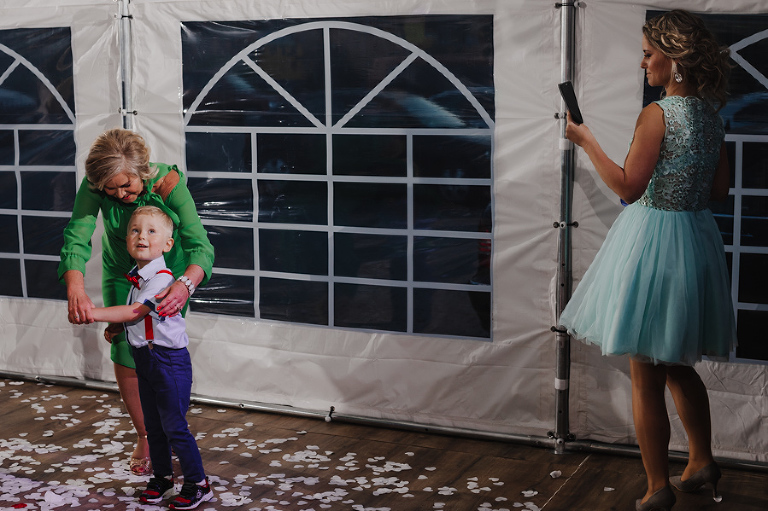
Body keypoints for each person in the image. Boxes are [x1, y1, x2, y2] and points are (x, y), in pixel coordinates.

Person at [558, 10, 736, 511]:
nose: (642, 63)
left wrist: (586, 140)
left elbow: (628, 187)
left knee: (646, 373)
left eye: (647, 54)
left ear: (674, 59)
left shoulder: (657, 114)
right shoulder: (711, 116)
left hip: (654, 241)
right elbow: (719, 190)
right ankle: (701, 461)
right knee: (676, 362)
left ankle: (657, 487)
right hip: (696, 239)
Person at [59, 128, 214, 476]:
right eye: (110, 189)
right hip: (122, 272)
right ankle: (146, 434)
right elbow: (77, 235)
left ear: (143, 171)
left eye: (126, 185)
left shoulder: (170, 184)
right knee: (126, 348)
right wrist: (75, 286)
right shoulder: (96, 182)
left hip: (169, 275)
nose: (119, 194)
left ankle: (170, 426)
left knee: (161, 348)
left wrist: (184, 285)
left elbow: (200, 245)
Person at [89, 206, 213, 510]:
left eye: (151, 231)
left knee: (174, 426)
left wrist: (93, 313)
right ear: (126, 239)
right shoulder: (138, 279)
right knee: (153, 426)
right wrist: (118, 327)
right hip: (144, 360)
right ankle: (162, 477)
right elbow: (136, 319)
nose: (141, 236)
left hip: (168, 362)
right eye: (135, 230)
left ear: (168, 244)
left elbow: (137, 312)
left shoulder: (161, 278)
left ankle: (198, 483)